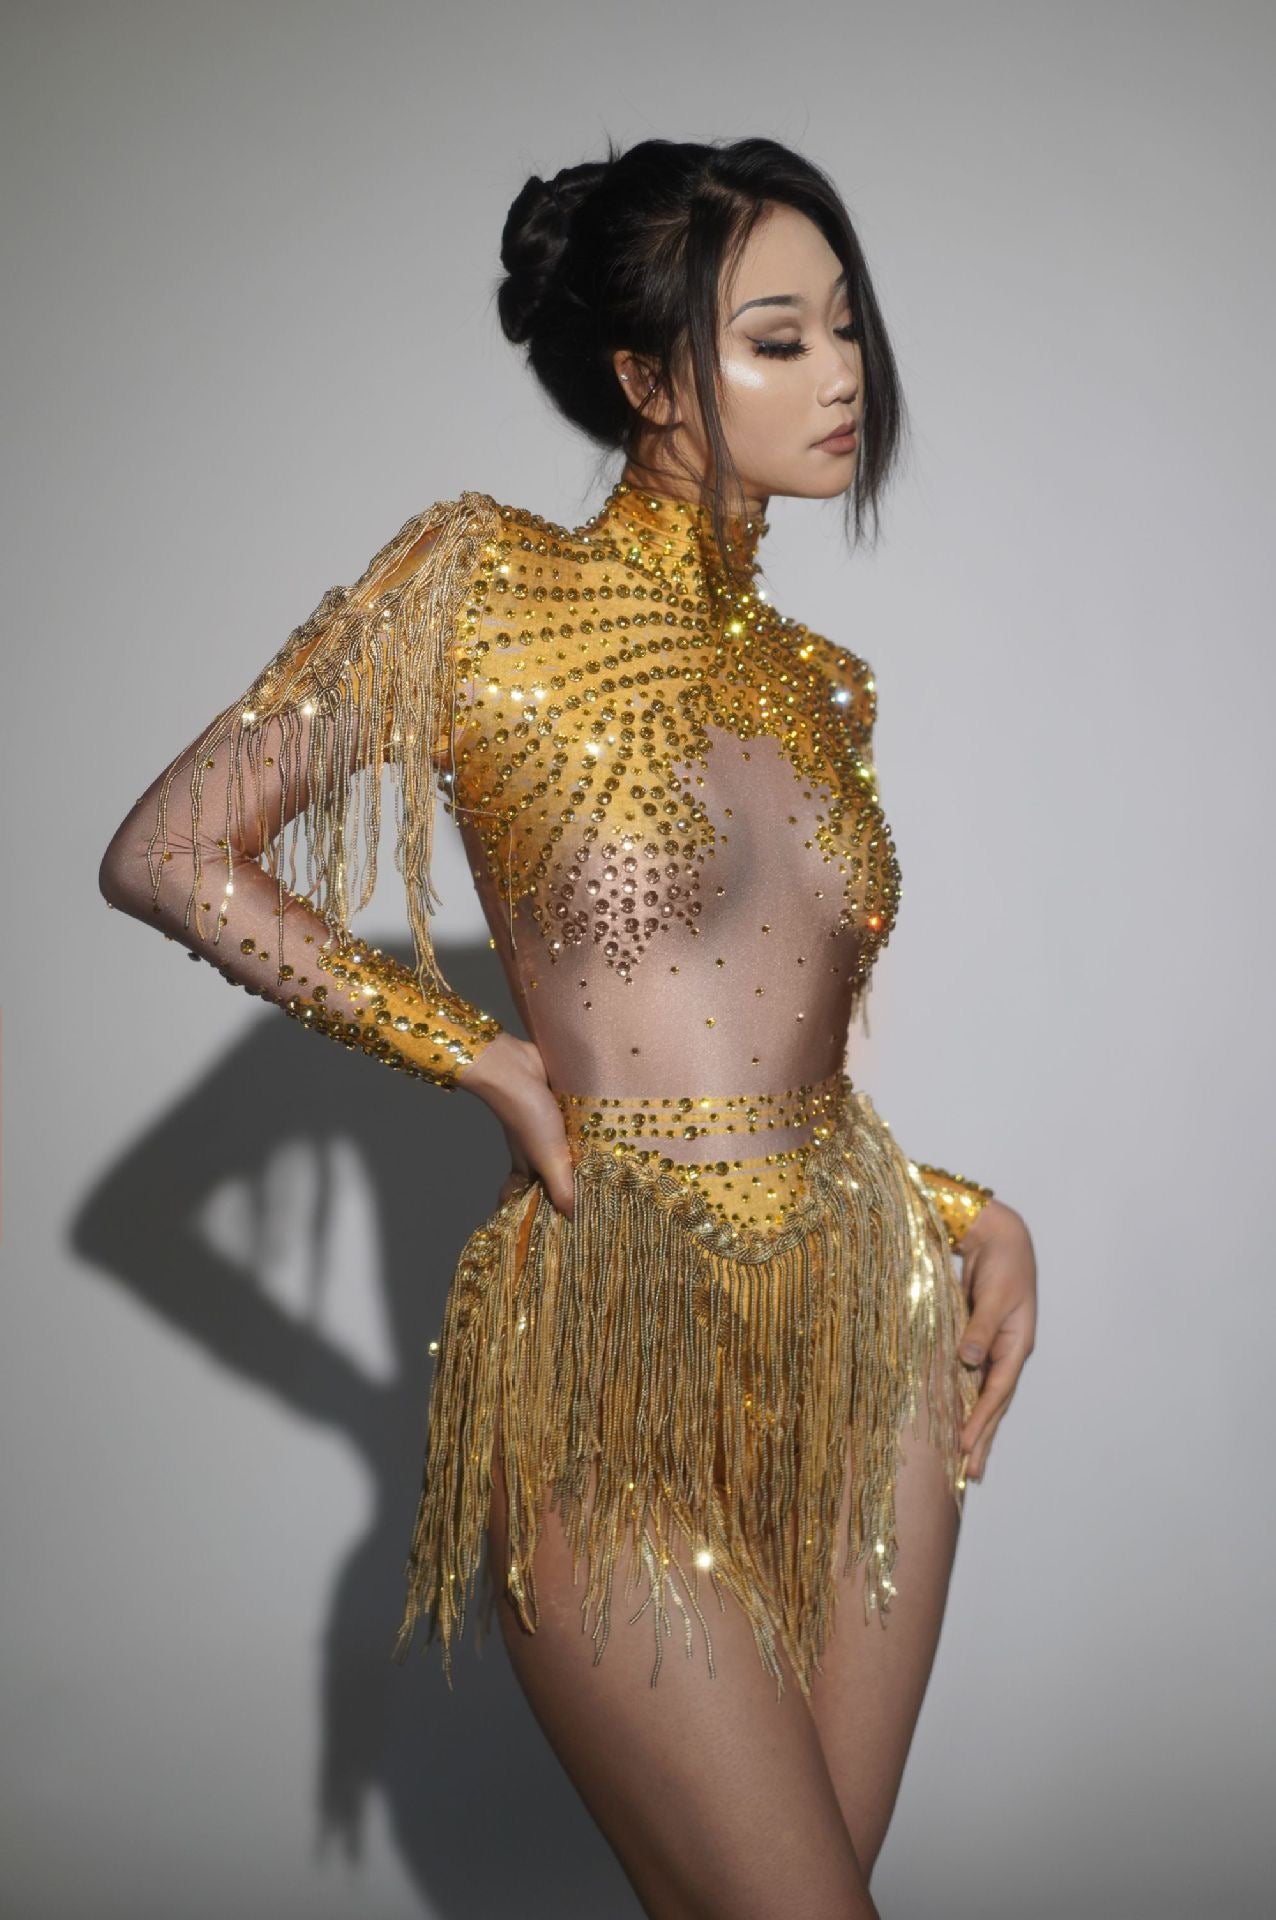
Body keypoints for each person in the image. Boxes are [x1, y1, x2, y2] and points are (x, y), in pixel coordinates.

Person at [99, 135, 1037, 1920]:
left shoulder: (822, 686)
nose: (844, 373)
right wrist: (468, 1051)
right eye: (779, 338)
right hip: (609, 1347)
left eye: (846, 326)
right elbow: (170, 851)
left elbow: (780, 1066)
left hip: (870, 1350)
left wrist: (959, 1210)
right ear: (648, 382)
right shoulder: (483, 586)